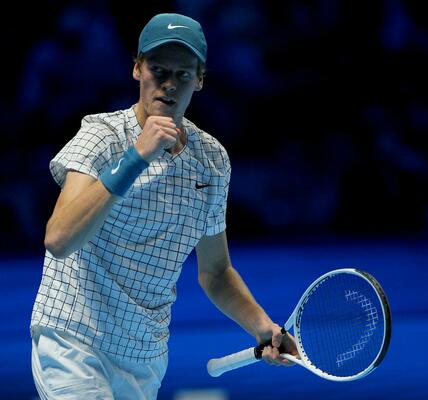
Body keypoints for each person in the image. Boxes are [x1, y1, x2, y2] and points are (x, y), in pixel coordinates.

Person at [30, 12, 297, 399]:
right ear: (137, 69)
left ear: (200, 79)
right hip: (74, 340)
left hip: (144, 358)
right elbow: (58, 238)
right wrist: (137, 157)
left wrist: (264, 328)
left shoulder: (212, 161)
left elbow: (216, 272)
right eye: (158, 69)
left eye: (183, 74)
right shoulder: (101, 136)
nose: (169, 85)